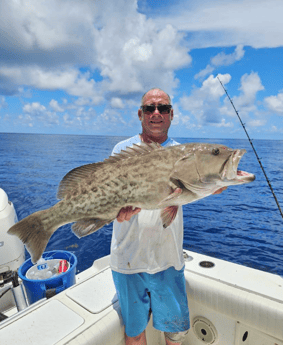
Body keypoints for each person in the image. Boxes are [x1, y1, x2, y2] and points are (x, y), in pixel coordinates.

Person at [110, 88, 225, 345]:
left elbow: (190, 188)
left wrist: (214, 181)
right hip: (128, 260)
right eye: (150, 108)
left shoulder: (184, 153)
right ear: (140, 114)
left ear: (171, 115)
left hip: (168, 259)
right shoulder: (122, 149)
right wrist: (118, 213)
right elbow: (109, 199)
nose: (156, 113)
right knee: (135, 333)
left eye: (162, 108)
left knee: (175, 333)